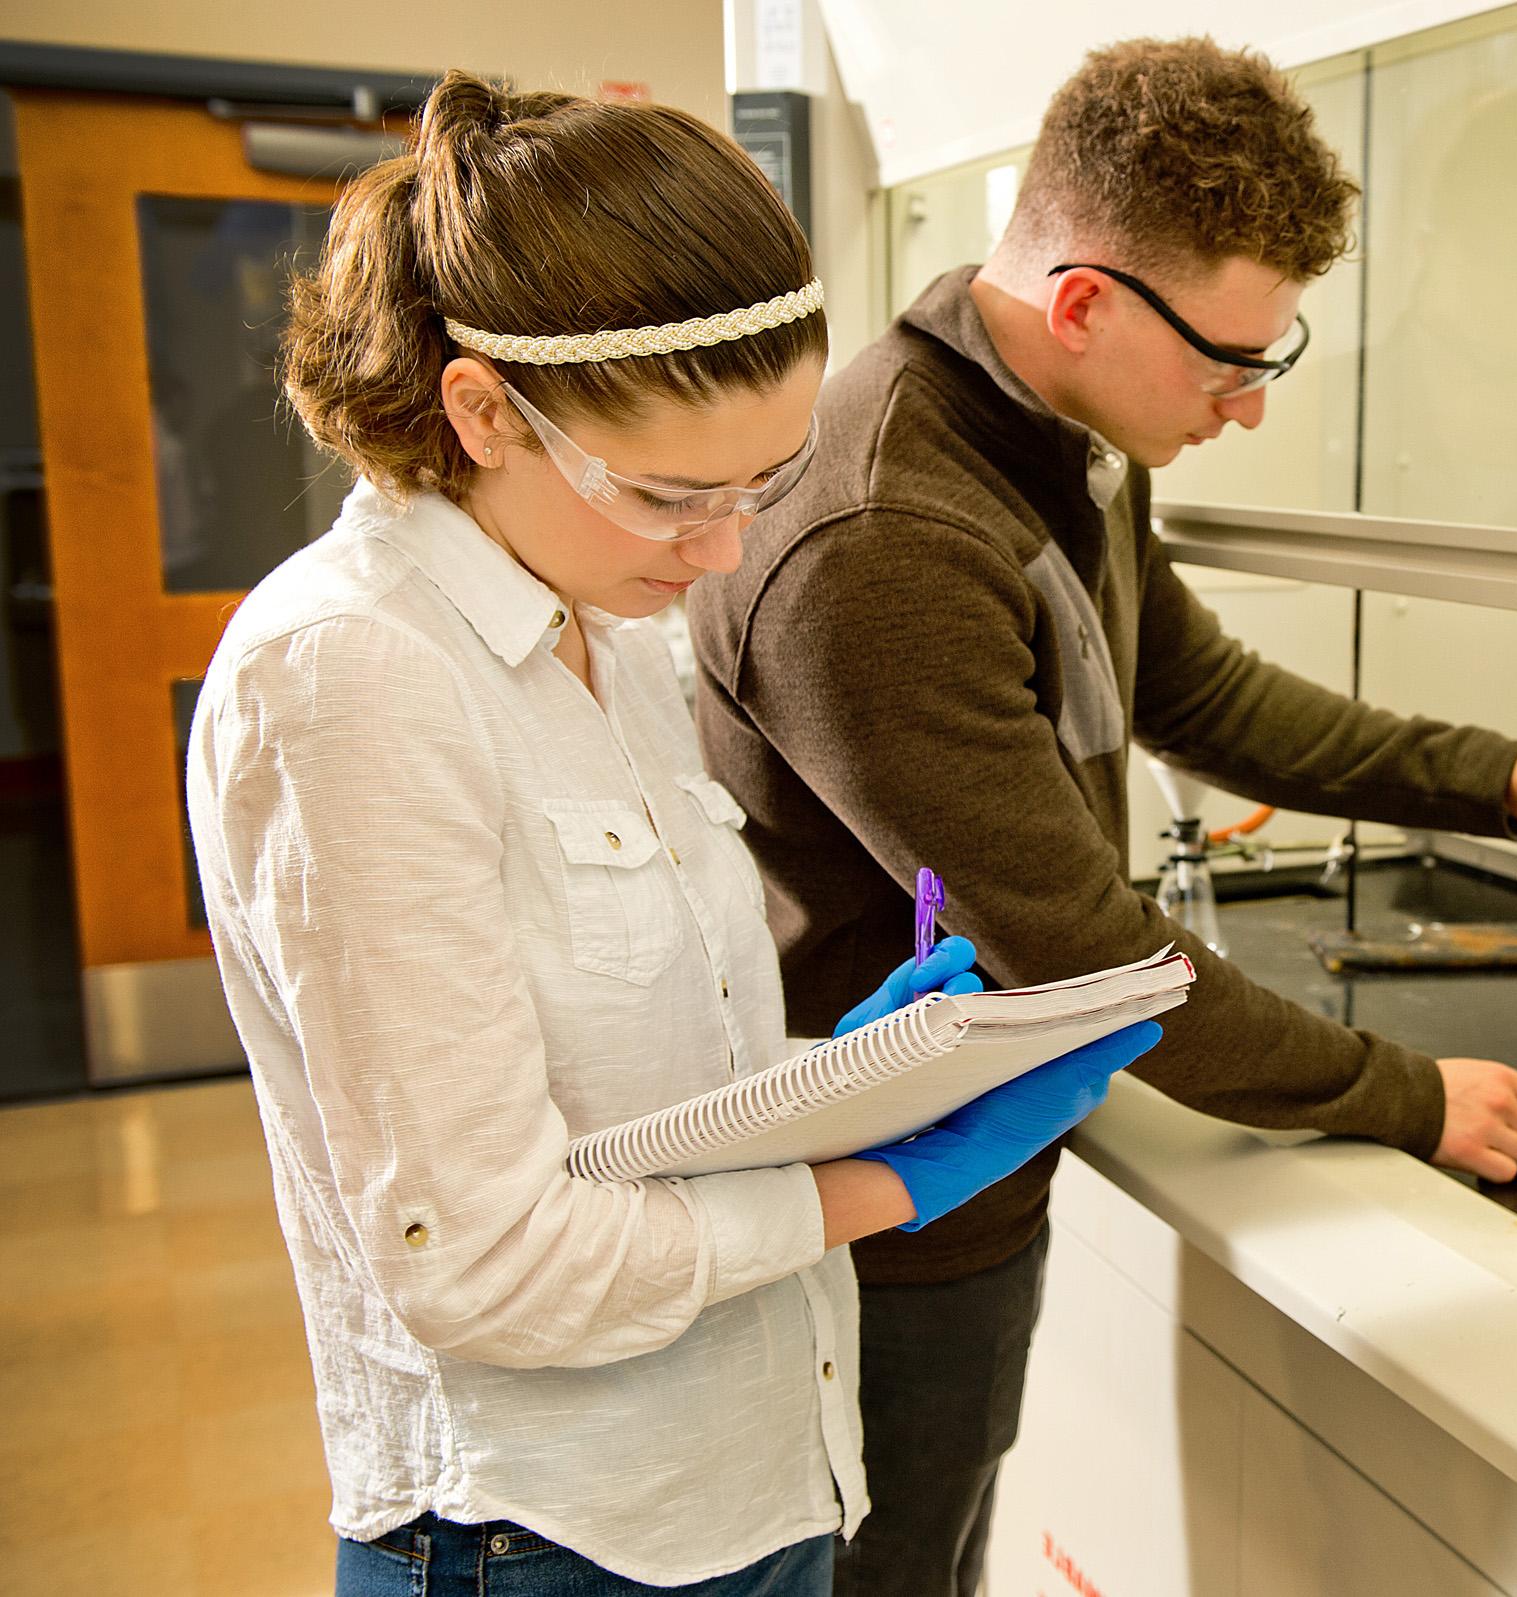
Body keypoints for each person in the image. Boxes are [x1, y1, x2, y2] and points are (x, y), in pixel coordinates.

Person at [686, 36, 1517, 1597]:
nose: (1246, 407)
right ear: (1086, 300)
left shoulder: (1062, 438)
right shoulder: (884, 534)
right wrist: (1408, 1094)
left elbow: (1204, 695)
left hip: (972, 1163)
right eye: (1232, 363)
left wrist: (1498, 773)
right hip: (870, 1223)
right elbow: (1086, 954)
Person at [184, 71, 1157, 1597]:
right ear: (483, 409)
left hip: (750, 1470)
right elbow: (484, 1259)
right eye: (670, 495)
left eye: (762, 488)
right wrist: (878, 1186)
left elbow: (635, 1093)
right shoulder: (353, 675)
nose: (721, 551)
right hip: (546, 1536)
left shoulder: (604, 623)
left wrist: (843, 1074)